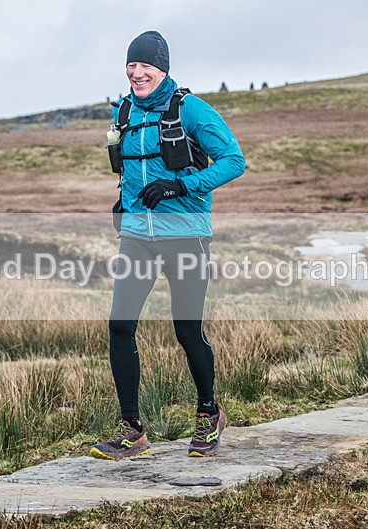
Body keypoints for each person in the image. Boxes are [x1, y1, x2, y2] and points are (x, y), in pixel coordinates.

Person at [90, 31, 246, 460]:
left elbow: (234, 160)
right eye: (131, 66)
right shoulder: (124, 111)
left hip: (186, 232)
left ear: (163, 69)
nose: (137, 73)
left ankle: (209, 412)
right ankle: (132, 430)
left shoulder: (191, 109)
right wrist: (123, 202)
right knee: (120, 325)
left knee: (186, 329)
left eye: (146, 66)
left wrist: (181, 185)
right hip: (139, 236)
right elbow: (129, 169)